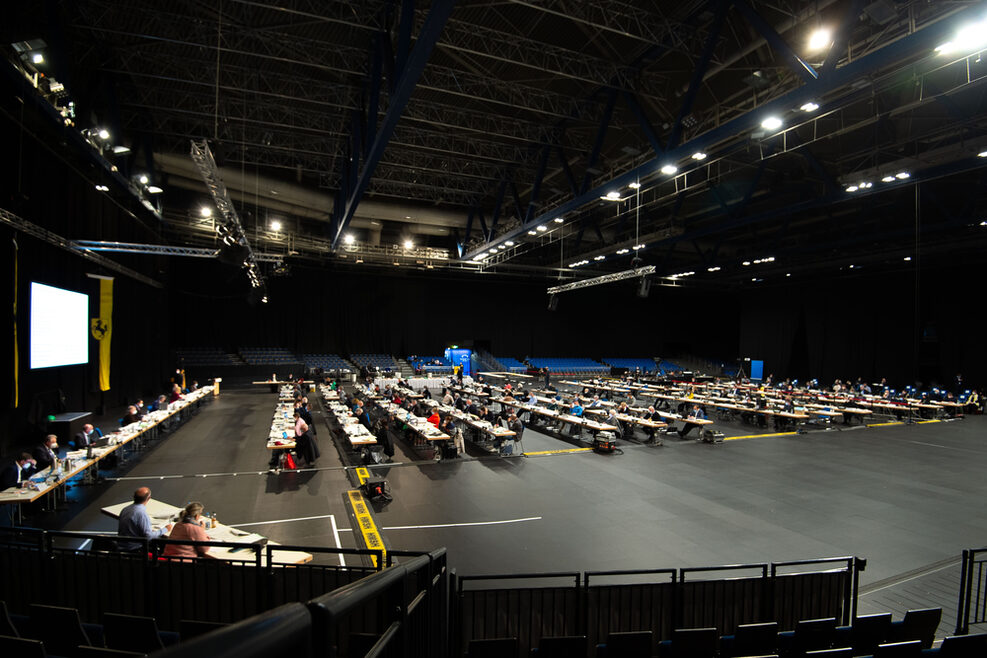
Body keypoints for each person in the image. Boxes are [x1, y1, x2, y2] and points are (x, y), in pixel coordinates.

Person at [118, 487, 172, 552]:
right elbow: (148, 537)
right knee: (163, 541)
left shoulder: (125, 509)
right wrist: (165, 529)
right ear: (148, 498)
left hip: (122, 546)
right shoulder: (141, 514)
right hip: (135, 549)